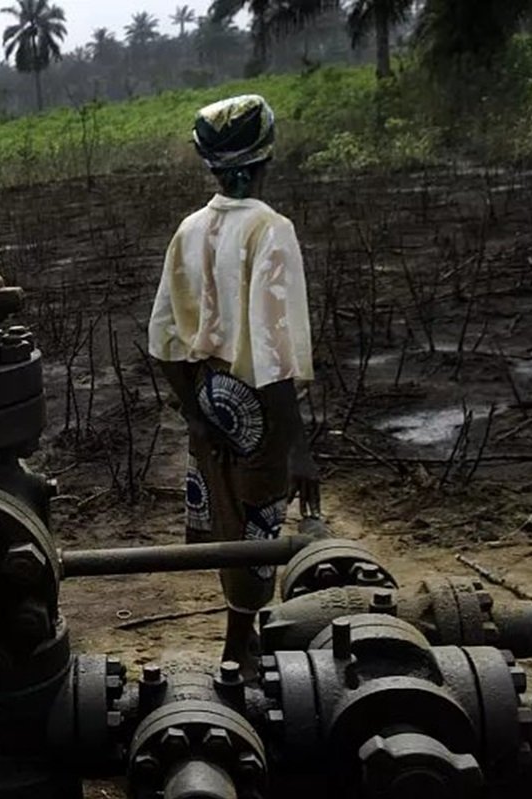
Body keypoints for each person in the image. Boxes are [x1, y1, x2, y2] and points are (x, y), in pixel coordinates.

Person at [148, 94, 320, 677]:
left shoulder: (189, 229)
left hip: (210, 397)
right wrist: (296, 444)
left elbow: (164, 336)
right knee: (260, 523)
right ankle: (241, 651)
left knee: (229, 517)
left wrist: (195, 415)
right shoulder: (272, 230)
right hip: (258, 405)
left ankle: (238, 640)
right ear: (264, 159)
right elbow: (275, 350)